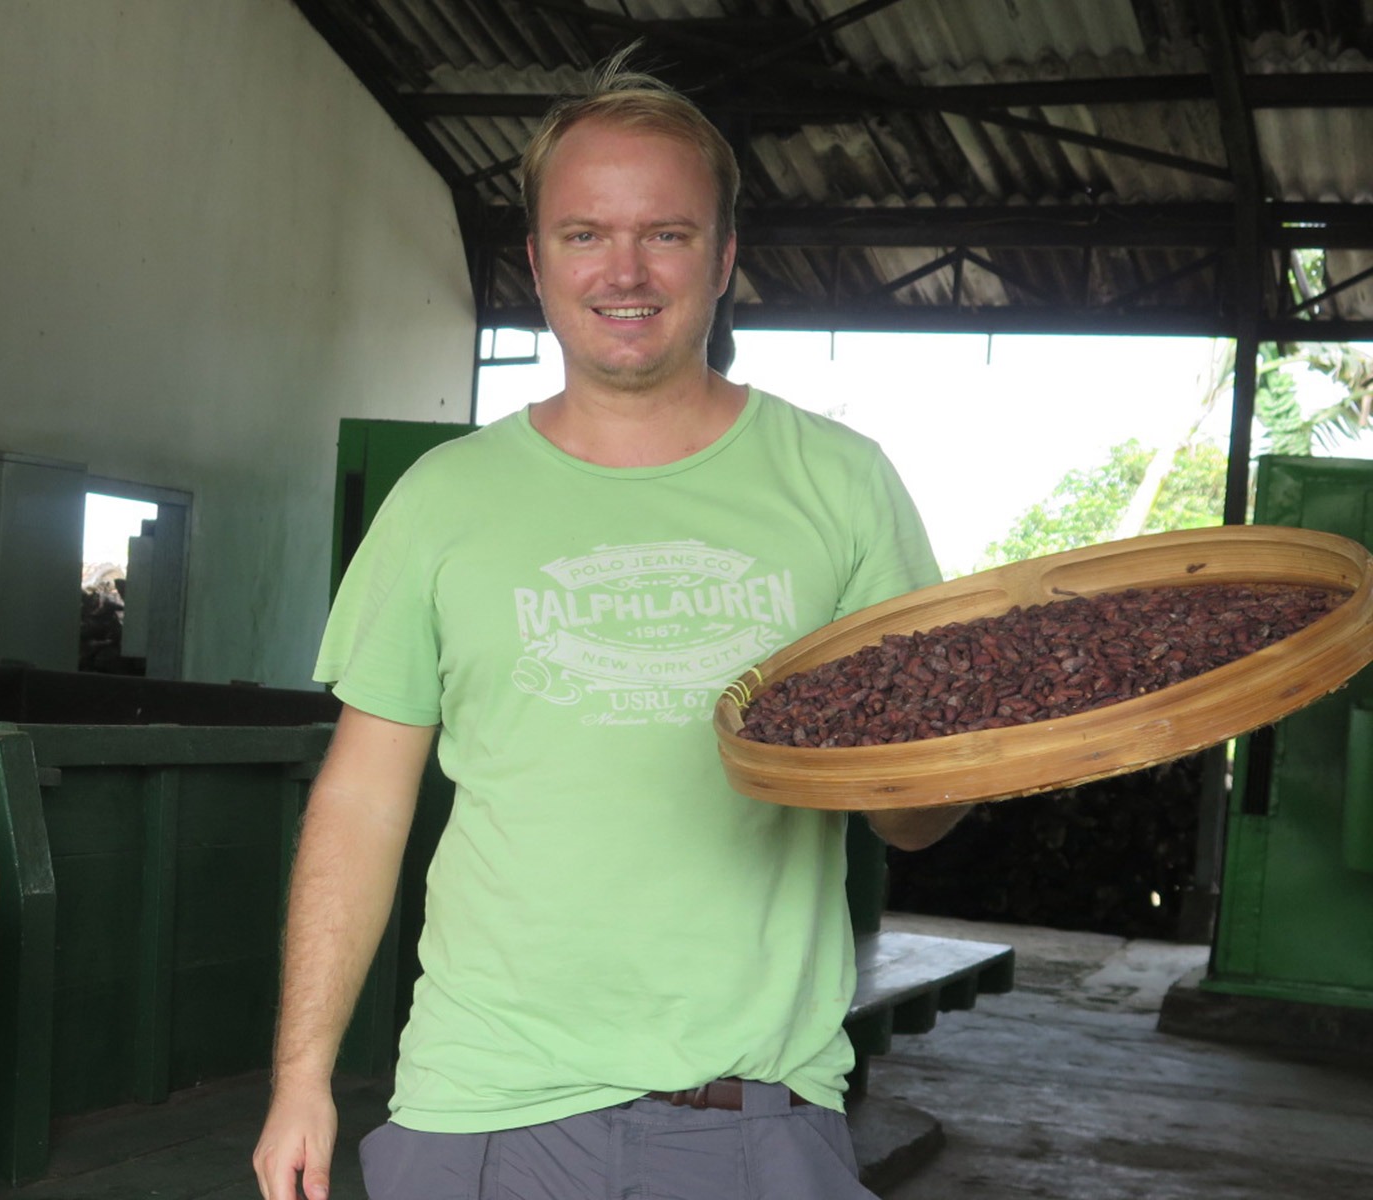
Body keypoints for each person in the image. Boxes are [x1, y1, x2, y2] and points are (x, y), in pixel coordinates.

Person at [252, 58, 971, 1200]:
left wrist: (957, 764)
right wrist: (302, 1076)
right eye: (583, 234)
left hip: (748, 1114)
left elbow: (915, 812)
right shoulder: (443, 498)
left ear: (722, 258)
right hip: (479, 1109)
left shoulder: (841, 485)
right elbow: (360, 801)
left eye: (665, 234)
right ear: (536, 261)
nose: (624, 271)